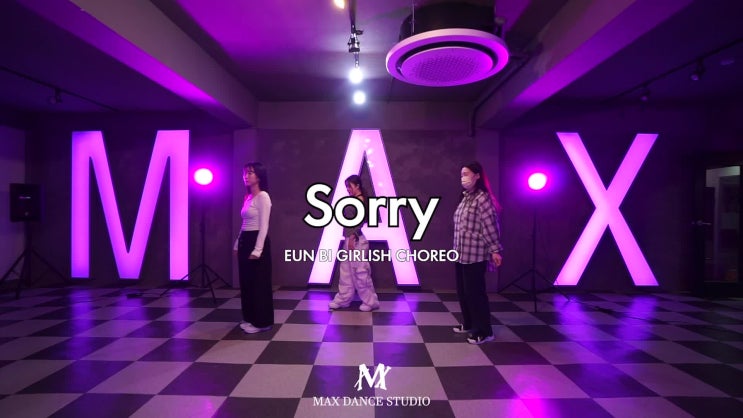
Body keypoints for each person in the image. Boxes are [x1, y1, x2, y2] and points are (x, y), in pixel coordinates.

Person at [452, 162, 503, 344]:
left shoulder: (483, 198)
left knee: (475, 293)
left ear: (477, 175)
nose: (463, 178)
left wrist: (495, 250)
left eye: (466, 174)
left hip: (475, 255)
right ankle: (469, 323)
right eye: (462, 174)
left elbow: (490, 226)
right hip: (461, 253)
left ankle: (484, 331)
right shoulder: (465, 197)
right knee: (463, 292)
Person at [329, 175, 380, 312]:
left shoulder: (361, 200)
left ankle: (371, 302)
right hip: (349, 240)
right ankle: (343, 299)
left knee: (360, 272)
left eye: (350, 186)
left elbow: (359, 221)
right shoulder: (354, 200)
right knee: (346, 272)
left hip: (356, 241)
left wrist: (352, 237)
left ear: (357, 185)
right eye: (346, 186)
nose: (348, 189)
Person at [234, 162, 274, 333]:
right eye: (245, 173)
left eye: (250, 173)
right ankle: (250, 317)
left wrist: (258, 250)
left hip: (257, 241)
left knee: (259, 283)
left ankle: (262, 322)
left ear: (259, 176)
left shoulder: (263, 196)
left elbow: (264, 225)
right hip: (245, 240)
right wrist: (237, 243)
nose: (246, 176)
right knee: (247, 282)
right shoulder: (248, 197)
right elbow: (244, 223)